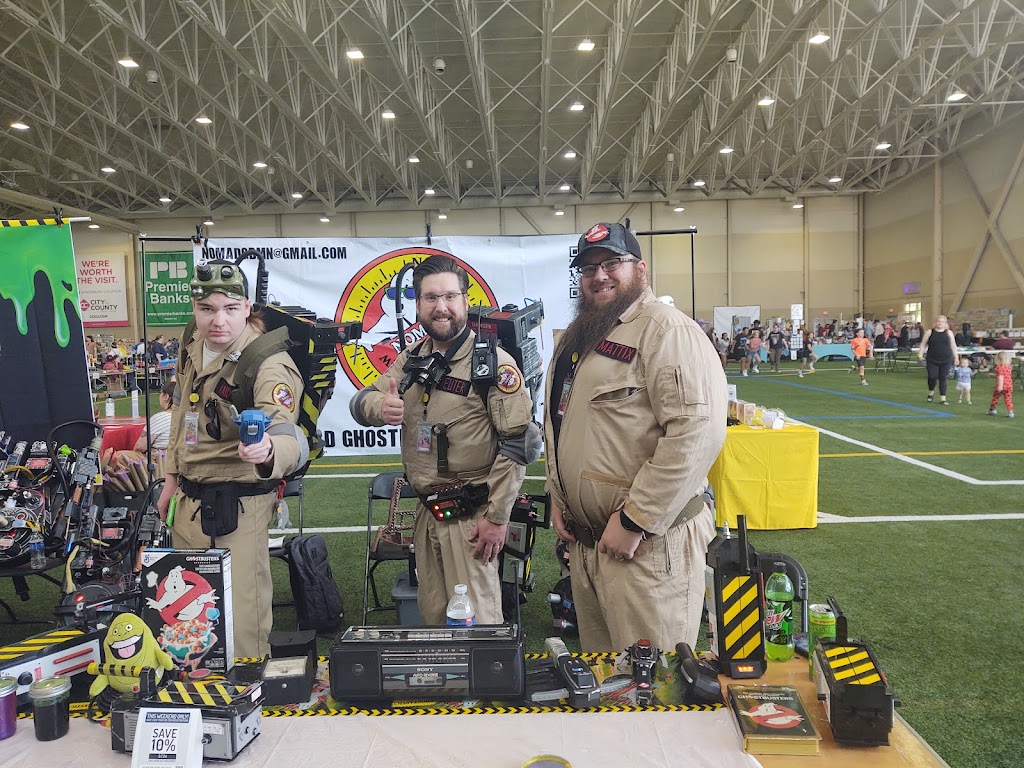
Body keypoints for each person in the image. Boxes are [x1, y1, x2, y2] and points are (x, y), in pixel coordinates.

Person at [543, 222, 726, 653]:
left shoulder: (666, 331)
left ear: (640, 270)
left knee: (652, 682)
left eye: (612, 263)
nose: (599, 276)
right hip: (589, 548)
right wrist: (559, 496)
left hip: (648, 547)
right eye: (588, 268)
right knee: (603, 677)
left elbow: (696, 433)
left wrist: (634, 520)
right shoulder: (580, 335)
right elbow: (562, 423)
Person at [349, 256, 534, 625]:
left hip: (472, 518)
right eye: (431, 298)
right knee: (434, 618)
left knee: (476, 625)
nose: (441, 307)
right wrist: (378, 407)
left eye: (450, 296)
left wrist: (497, 518)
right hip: (427, 513)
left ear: (465, 301)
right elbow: (362, 400)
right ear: (418, 305)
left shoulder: (492, 365)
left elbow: (519, 445)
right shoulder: (412, 357)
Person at [157, 260, 306, 658]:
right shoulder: (192, 342)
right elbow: (181, 415)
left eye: (230, 309)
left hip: (238, 507)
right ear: (194, 308)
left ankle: (248, 686)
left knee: (241, 621)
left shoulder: (267, 363)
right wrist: (170, 479)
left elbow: (286, 433)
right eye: (206, 309)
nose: (217, 321)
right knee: (188, 618)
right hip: (187, 501)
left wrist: (267, 451)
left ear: (247, 307)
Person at [918, 314, 958, 404]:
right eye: (939, 321)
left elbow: (953, 346)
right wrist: (920, 354)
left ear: (945, 323)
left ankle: (943, 398)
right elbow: (923, 344)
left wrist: (956, 357)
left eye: (942, 322)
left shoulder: (949, 333)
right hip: (932, 359)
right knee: (932, 376)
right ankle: (931, 392)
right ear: (935, 322)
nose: (940, 323)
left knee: (943, 378)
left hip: (946, 359)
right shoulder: (929, 332)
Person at [134, 379, 176, 451]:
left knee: (120, 455)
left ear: (166, 397)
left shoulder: (160, 418)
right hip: (181, 454)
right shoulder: (189, 416)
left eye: (161, 393)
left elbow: (140, 447)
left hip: (161, 455)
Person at [988, 351, 1014, 418]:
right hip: (1009, 385)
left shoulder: (999, 367)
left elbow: (1001, 377)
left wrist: (1000, 386)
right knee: (1008, 399)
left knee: (995, 397)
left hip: (1002, 385)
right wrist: (994, 375)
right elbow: (1005, 376)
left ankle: (992, 409)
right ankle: (1010, 412)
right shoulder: (1009, 367)